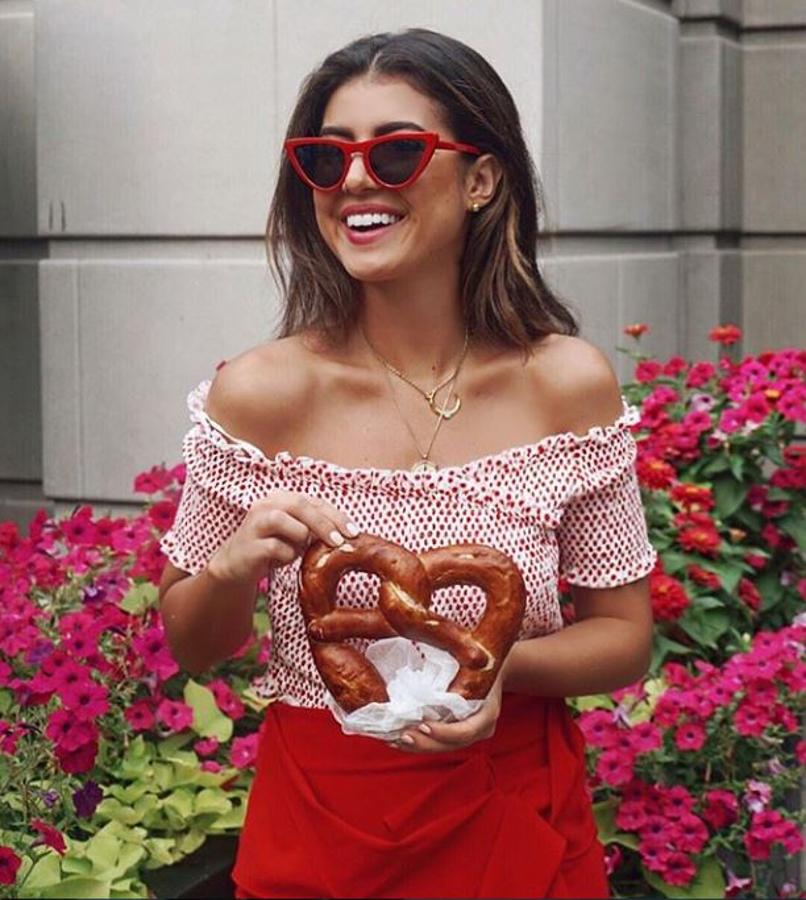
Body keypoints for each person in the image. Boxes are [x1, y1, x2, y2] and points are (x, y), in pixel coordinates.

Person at [158, 27, 657, 899]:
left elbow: (625, 637)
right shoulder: (261, 393)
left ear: (481, 179)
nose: (355, 179)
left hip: (518, 820)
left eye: (395, 151)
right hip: (322, 830)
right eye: (327, 158)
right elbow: (193, 646)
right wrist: (233, 568)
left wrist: (501, 669)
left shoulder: (567, 384)